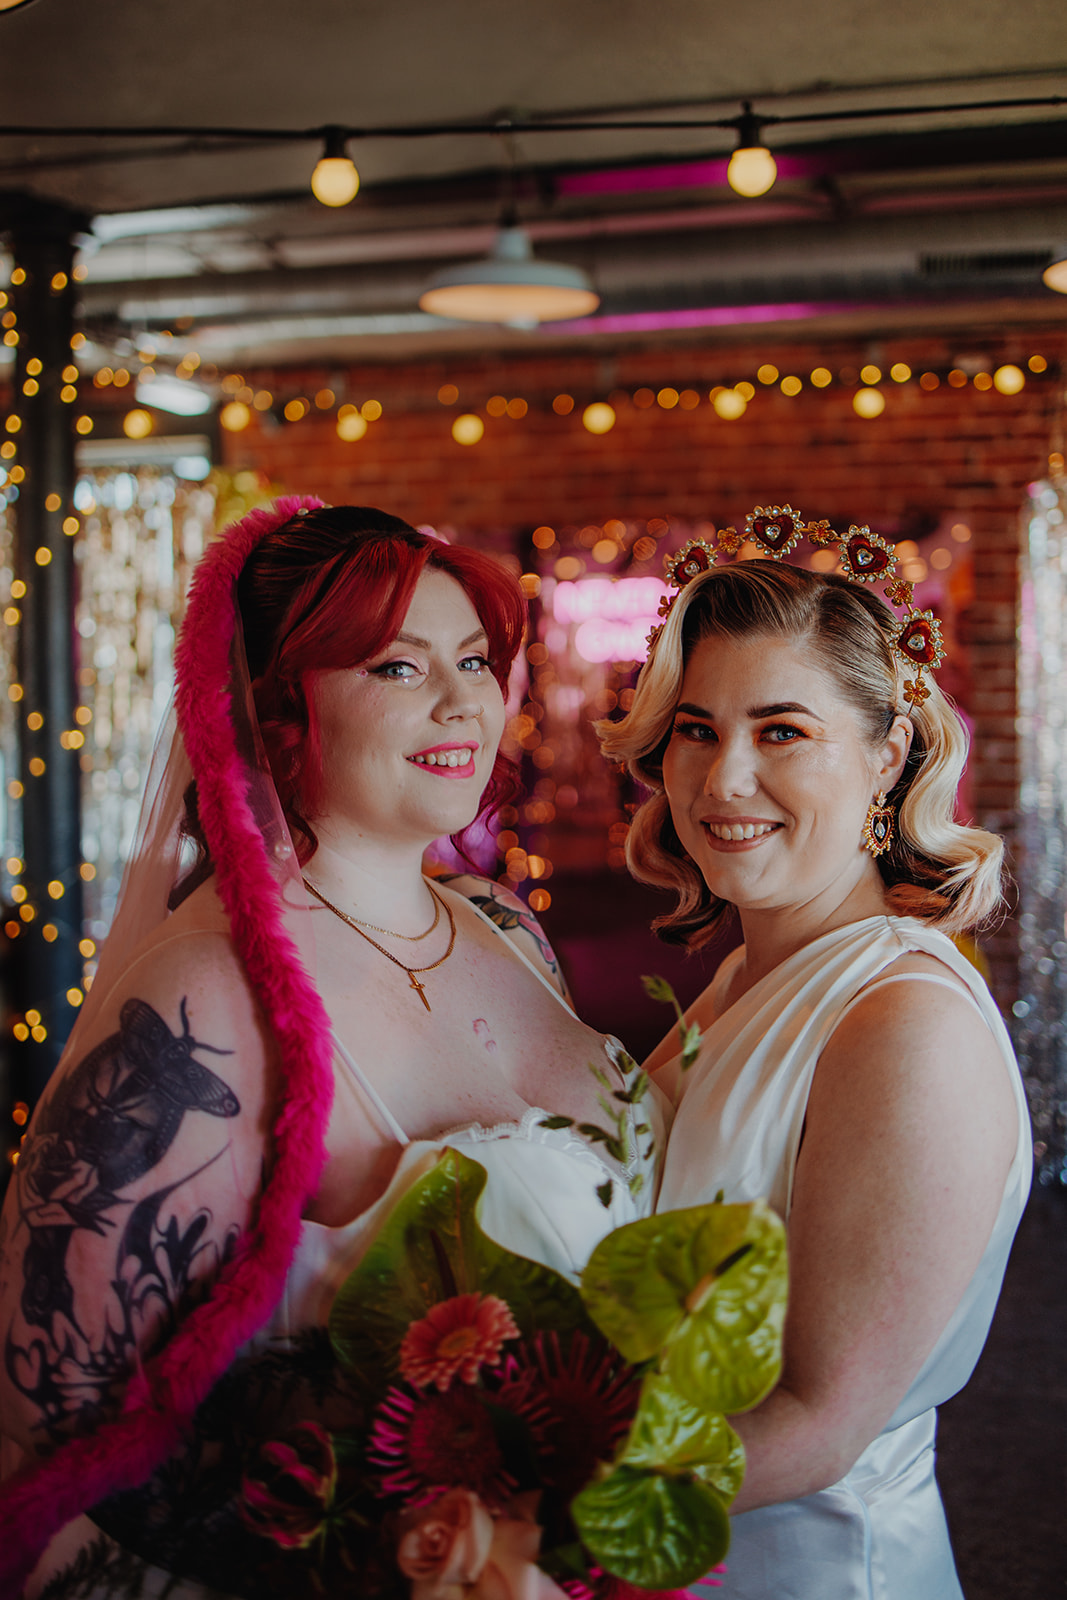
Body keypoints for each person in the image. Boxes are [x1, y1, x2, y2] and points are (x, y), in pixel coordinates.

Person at [0, 499, 660, 1599]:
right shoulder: (210, 998)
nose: (463, 700)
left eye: (472, 658)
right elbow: (47, 1441)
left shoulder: (503, 923)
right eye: (398, 668)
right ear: (279, 710)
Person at [599, 510, 1031, 1600]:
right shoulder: (746, 974)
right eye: (694, 728)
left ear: (886, 752)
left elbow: (816, 1420)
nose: (719, 780)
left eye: (779, 730)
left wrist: (509, 1486)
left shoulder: (901, 1023)